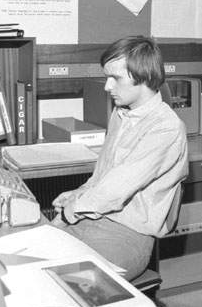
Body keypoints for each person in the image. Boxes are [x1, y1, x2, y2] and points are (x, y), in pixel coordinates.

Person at [51, 35, 188, 281]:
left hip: (127, 234)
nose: (107, 86)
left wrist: (68, 213)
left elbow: (115, 190)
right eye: (107, 77)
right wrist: (77, 194)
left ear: (143, 77)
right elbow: (105, 174)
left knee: (66, 281)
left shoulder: (165, 128)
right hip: (95, 216)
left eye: (116, 78)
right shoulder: (121, 112)